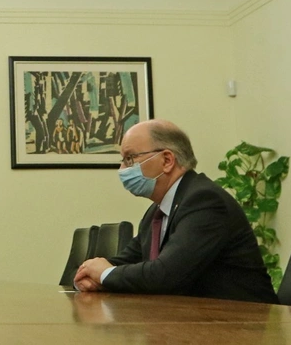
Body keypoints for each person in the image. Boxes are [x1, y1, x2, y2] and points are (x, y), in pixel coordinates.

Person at [72, 120, 277, 303]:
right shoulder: (157, 212)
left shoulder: (204, 201)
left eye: (130, 158)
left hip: (243, 323)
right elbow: (128, 261)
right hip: (193, 320)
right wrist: (88, 273)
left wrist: (105, 274)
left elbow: (165, 275)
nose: (122, 169)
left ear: (167, 160)